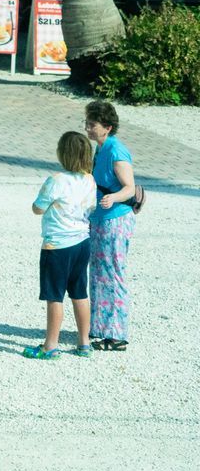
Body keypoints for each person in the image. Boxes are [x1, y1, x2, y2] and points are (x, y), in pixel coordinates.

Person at [23, 131, 97, 359]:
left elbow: (38, 208)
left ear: (63, 154)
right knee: (79, 291)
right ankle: (84, 343)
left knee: (54, 295)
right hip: (82, 241)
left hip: (57, 245)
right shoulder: (89, 180)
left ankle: (50, 345)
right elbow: (91, 207)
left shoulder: (55, 180)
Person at [85, 100, 137, 351]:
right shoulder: (100, 148)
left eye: (92, 124)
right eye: (87, 123)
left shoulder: (117, 151)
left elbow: (129, 188)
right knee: (97, 272)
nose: (87, 128)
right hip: (99, 219)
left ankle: (117, 335)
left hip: (116, 218)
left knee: (113, 274)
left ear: (106, 126)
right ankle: (99, 327)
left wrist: (112, 197)